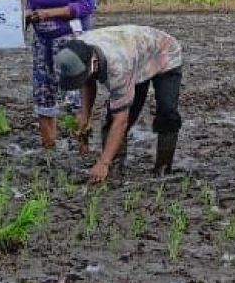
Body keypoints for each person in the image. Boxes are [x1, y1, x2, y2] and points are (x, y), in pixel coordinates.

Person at [53, 25, 183, 184]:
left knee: (166, 112)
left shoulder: (118, 67)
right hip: (135, 55)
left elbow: (121, 121)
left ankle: (163, 169)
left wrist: (102, 162)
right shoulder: (77, 48)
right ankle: (116, 166)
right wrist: (85, 113)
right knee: (118, 114)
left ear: (94, 63)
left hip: (164, 53)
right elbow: (87, 81)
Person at [26, 0, 97, 149]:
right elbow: (30, 0)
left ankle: (82, 145)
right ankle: (48, 146)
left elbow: (85, 6)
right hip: (42, 40)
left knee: (74, 91)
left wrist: (50, 13)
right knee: (43, 89)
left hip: (69, 38)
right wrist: (28, 15)